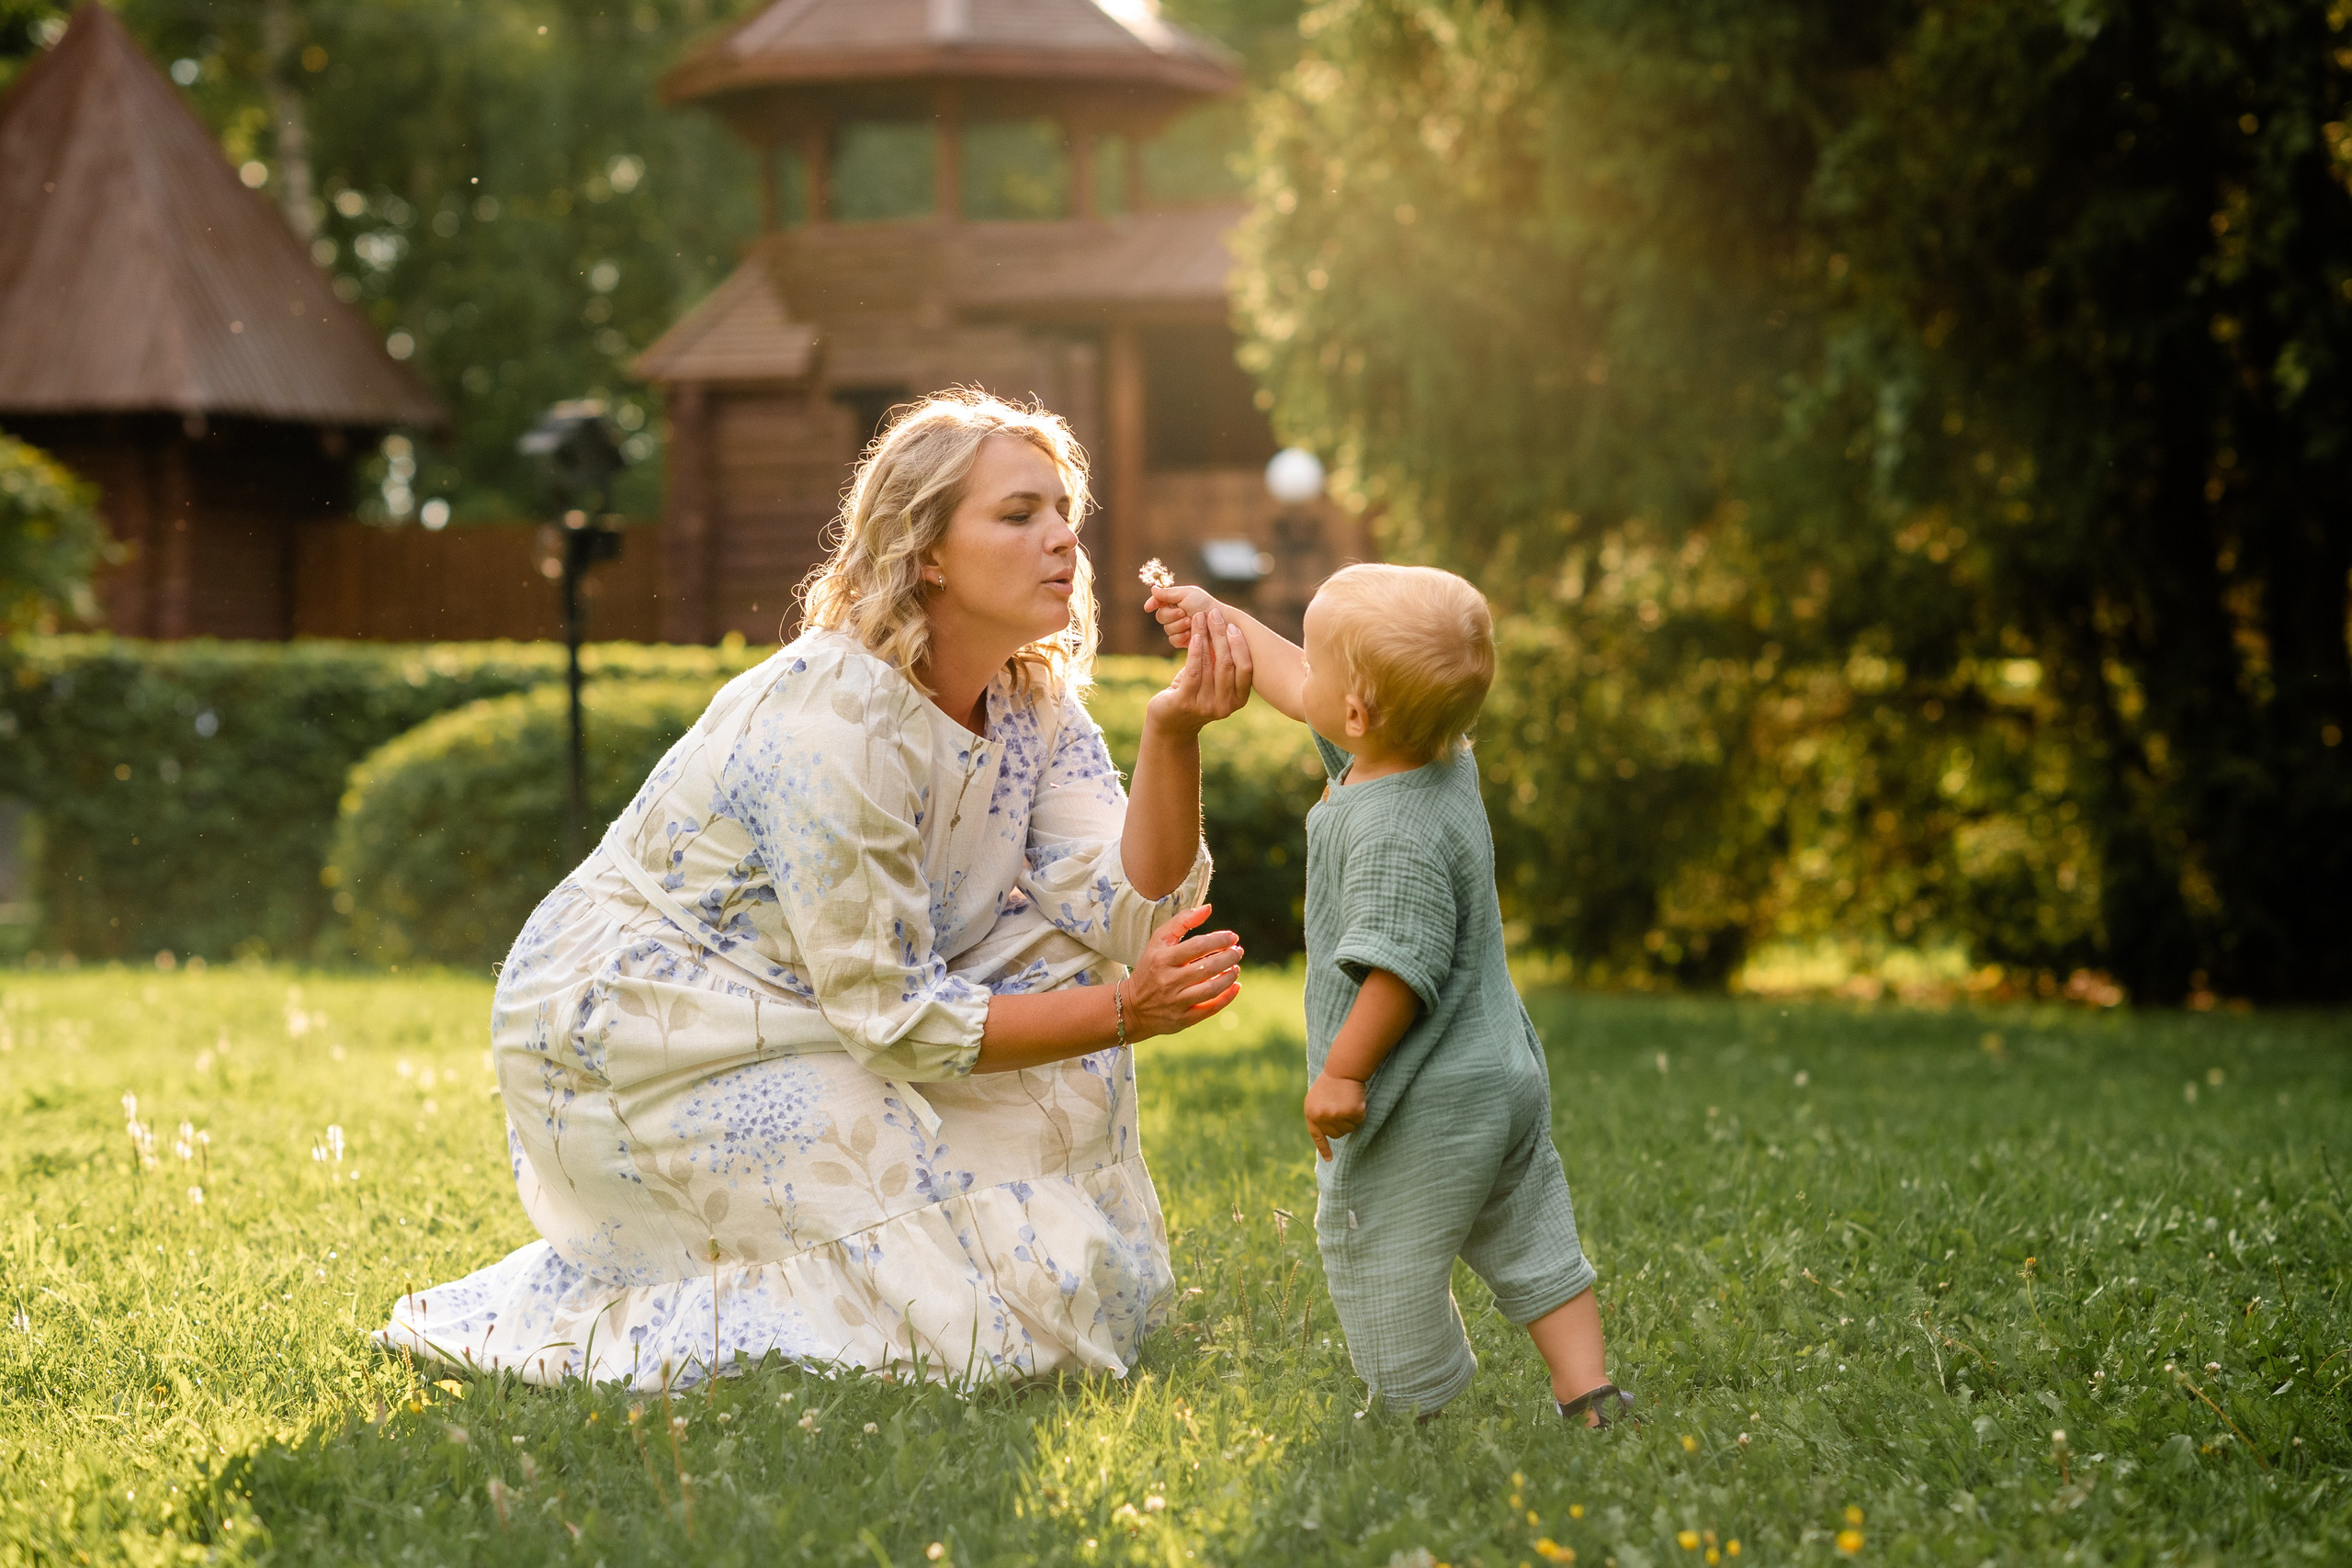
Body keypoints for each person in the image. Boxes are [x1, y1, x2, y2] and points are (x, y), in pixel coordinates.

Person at [379, 390, 1256, 1391]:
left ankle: (976, 1246)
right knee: (971, 1331)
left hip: (820, 1011)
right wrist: (1122, 1013)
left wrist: (1172, 735)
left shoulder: (1030, 702)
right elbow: (894, 1020)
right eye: (1019, 515)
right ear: (925, 550)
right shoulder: (837, 720)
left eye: (1064, 513)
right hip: (636, 1031)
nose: (1062, 540)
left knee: (1061, 960)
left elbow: (1127, 914)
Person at [1146, 565, 1629, 1425]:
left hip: (1426, 1094)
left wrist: (1342, 1074)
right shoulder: (1429, 757)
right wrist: (1221, 620)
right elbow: (1299, 683)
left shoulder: (1389, 827)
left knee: (1379, 1241)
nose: (1305, 675)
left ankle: (1414, 1404)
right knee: (1526, 1223)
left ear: (1359, 713)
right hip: (1501, 1073)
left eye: (1324, 659)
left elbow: (1399, 969)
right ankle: (1589, 1393)